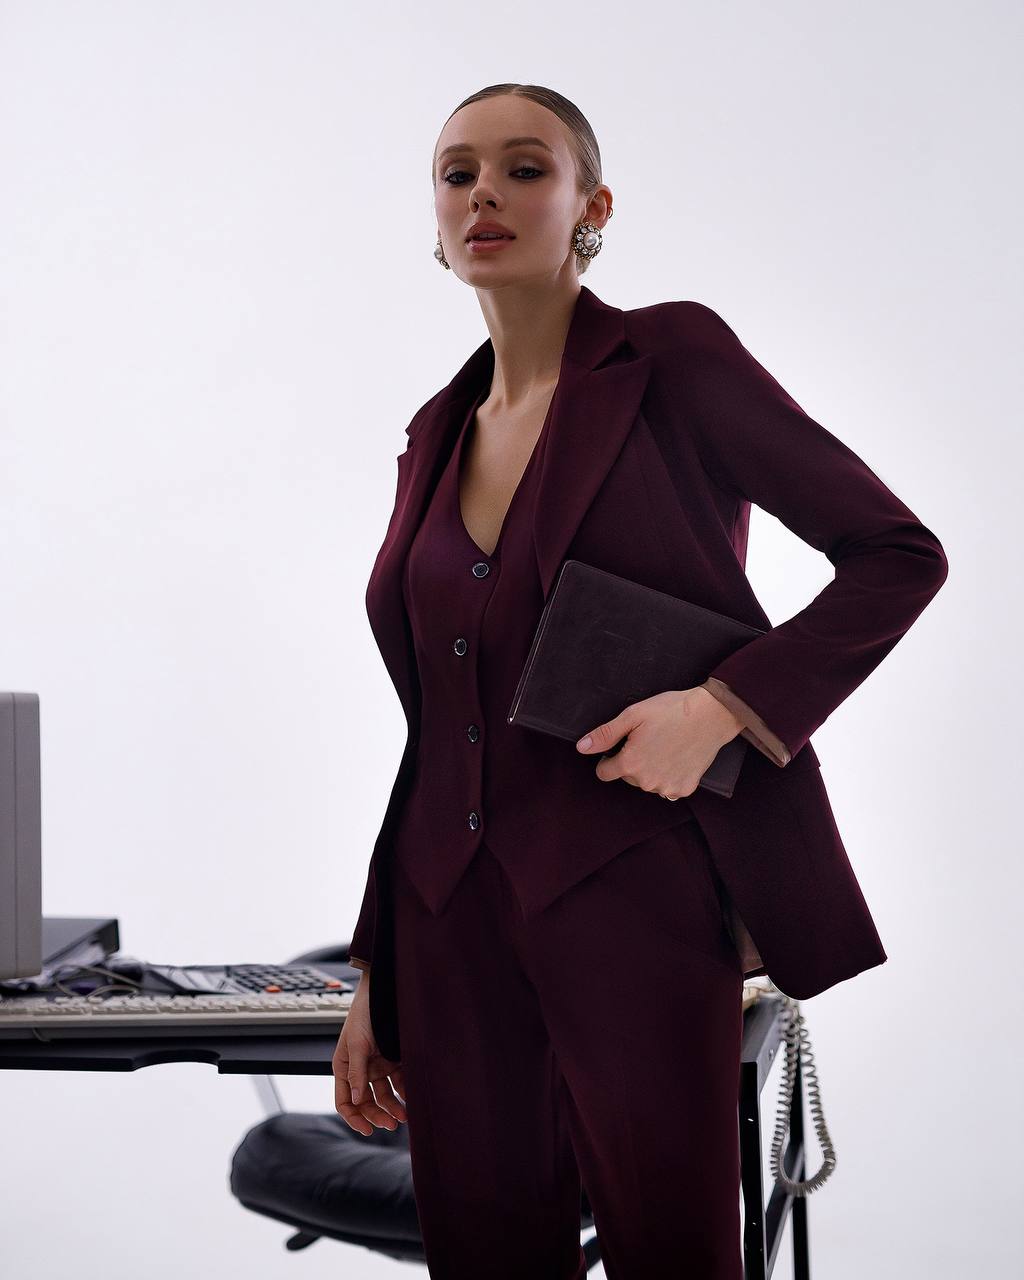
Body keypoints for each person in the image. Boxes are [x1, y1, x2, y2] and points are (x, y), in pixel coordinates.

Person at [331, 83, 948, 1279]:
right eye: (457, 175)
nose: (485, 196)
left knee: (674, 1255)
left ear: (590, 205)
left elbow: (897, 555)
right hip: (445, 915)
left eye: (523, 168)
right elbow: (435, 723)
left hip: (635, 892)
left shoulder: (668, 357)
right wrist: (376, 967)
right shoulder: (434, 429)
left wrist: (722, 710)